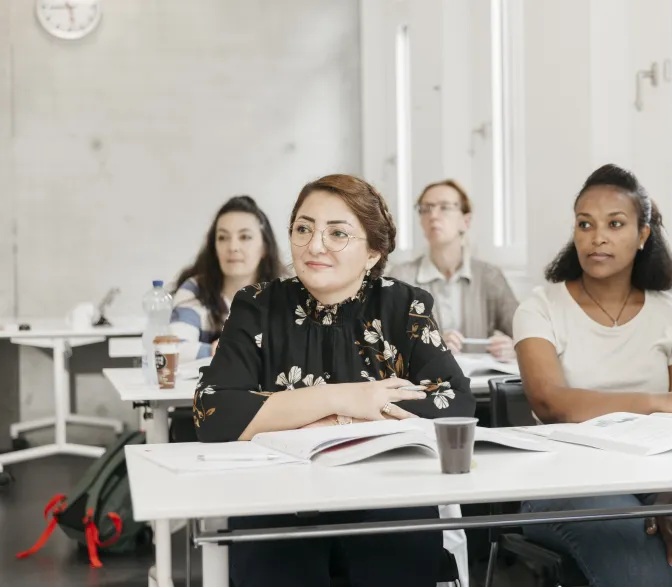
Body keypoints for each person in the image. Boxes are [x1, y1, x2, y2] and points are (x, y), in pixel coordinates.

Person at [193, 174, 476, 587]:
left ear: (372, 252)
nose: (315, 245)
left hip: (387, 494)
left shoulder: (404, 305)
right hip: (276, 501)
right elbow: (215, 414)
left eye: (337, 233)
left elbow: (454, 402)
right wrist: (344, 399)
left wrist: (301, 416)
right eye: (303, 229)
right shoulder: (256, 306)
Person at [513, 164, 672, 586]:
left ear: (643, 234)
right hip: (564, 479)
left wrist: (671, 503)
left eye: (615, 224)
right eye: (585, 224)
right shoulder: (540, 306)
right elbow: (551, 402)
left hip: (660, 478)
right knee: (646, 574)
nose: (598, 237)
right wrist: (659, 402)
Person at [387, 179, 519, 361]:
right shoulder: (401, 277)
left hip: (481, 385)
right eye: (426, 208)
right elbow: (386, 342)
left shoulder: (490, 276)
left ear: (466, 221)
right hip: (425, 385)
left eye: (445, 207)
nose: (433, 215)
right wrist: (428, 346)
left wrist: (514, 348)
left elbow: (524, 334)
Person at [171, 195, 285, 363]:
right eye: (223, 238)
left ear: (264, 248)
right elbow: (174, 348)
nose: (232, 247)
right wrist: (220, 349)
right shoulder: (195, 289)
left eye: (245, 237)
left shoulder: (284, 292)